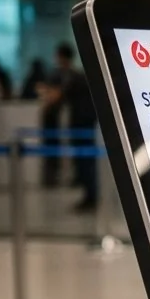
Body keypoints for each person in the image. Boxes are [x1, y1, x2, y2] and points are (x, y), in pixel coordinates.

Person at [45, 43, 99, 211]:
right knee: (85, 161)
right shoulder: (77, 75)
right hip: (85, 121)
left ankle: (90, 197)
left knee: (85, 161)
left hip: (81, 123)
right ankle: (89, 195)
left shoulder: (71, 76)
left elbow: (57, 97)